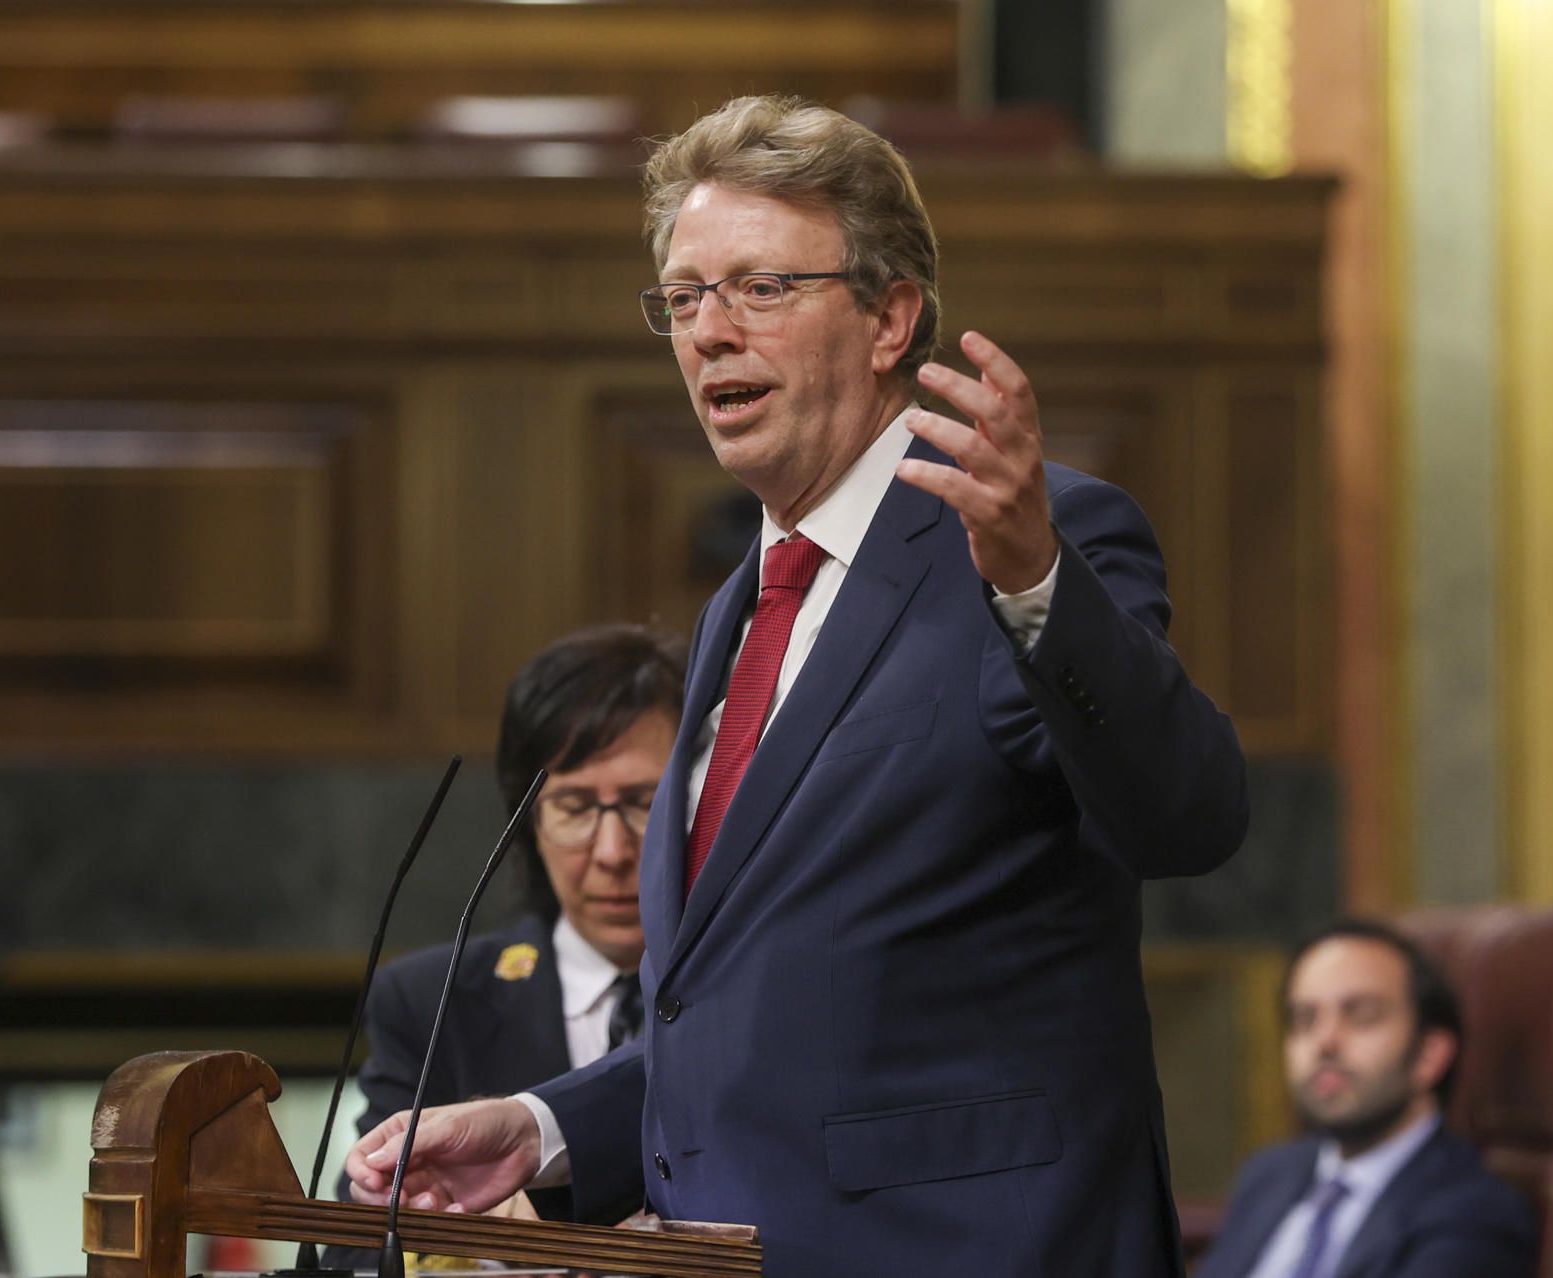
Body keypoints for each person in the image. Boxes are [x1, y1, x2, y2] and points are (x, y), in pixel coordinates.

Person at [346, 94, 1249, 1277]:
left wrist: (1035, 582)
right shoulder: (743, 606)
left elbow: (1188, 815)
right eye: (683, 297)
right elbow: (747, 1010)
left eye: (761, 288)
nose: (709, 332)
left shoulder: (1035, 540)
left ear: (892, 320)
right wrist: (544, 1125)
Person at [341, 623, 684, 1223]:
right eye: (574, 807)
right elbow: (361, 1240)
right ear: (526, 821)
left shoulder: (766, 995)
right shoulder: (434, 1002)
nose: (611, 851)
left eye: (642, 803)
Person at [1194, 920, 1537, 1278]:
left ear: (1428, 1055)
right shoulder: (1268, 1174)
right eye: (1304, 1019)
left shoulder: (1473, 1213)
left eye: (1361, 1015)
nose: (1324, 1041)